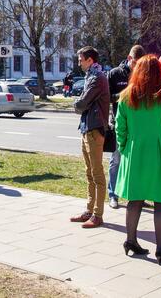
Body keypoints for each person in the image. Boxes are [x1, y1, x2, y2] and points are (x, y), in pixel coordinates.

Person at [114, 55, 161, 264]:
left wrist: (125, 148)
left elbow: (120, 128)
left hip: (135, 151)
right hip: (160, 152)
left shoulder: (126, 97)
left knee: (134, 198)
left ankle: (130, 240)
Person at [70, 47, 110, 228]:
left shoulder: (98, 78)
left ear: (90, 60)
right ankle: (89, 209)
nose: (79, 62)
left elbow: (82, 103)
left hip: (94, 130)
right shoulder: (91, 77)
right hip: (87, 128)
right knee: (89, 172)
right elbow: (82, 104)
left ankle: (98, 214)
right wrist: (79, 105)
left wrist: (77, 104)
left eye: (81, 59)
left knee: (97, 173)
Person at [106, 45, 146, 209]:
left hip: (139, 124)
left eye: (141, 64)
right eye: (136, 63)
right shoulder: (115, 74)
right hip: (119, 124)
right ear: (130, 59)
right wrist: (123, 94)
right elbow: (106, 97)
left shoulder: (144, 73)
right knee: (116, 160)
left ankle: (137, 196)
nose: (138, 67)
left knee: (138, 161)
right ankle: (113, 195)